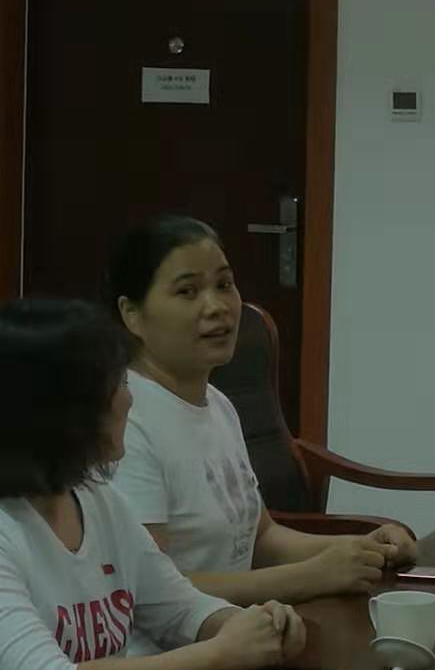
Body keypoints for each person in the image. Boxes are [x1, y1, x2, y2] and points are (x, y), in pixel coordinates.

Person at [0, 299, 306, 670]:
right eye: (118, 384)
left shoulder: (100, 501)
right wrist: (219, 655)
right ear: (63, 410)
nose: (130, 399)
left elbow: (180, 608)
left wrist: (253, 627)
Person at [107, 216, 417, 612]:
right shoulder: (126, 420)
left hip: (246, 633)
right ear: (131, 313)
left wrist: (363, 549)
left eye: (224, 285)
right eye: (188, 291)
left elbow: (261, 540)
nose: (217, 307)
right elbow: (151, 592)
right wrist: (312, 576)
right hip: (181, 649)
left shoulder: (219, 404)